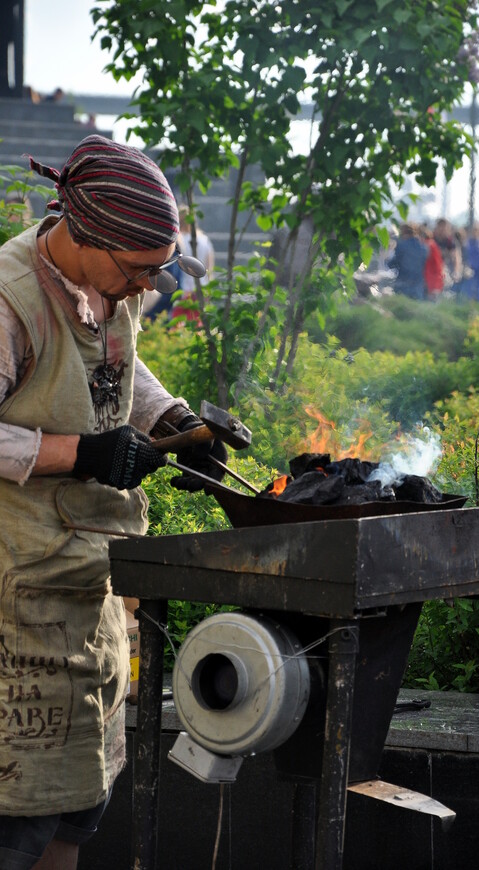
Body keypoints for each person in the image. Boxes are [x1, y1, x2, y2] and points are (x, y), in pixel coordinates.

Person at [0, 133, 226, 870]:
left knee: (78, 810)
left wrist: (174, 423)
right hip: (14, 598)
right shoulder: (10, 301)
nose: (143, 287)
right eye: (137, 271)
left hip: (91, 590)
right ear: (84, 233)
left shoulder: (110, 284)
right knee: (18, 820)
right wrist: (78, 453)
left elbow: (120, 367)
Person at [170, 206, 215, 322]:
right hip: (201, 290)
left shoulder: (177, 240)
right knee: (198, 325)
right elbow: (209, 270)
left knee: (178, 326)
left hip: (183, 291)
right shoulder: (204, 240)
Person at [387, 222, 428, 300]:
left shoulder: (401, 246)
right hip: (418, 285)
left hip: (403, 284)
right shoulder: (424, 248)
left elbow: (391, 264)